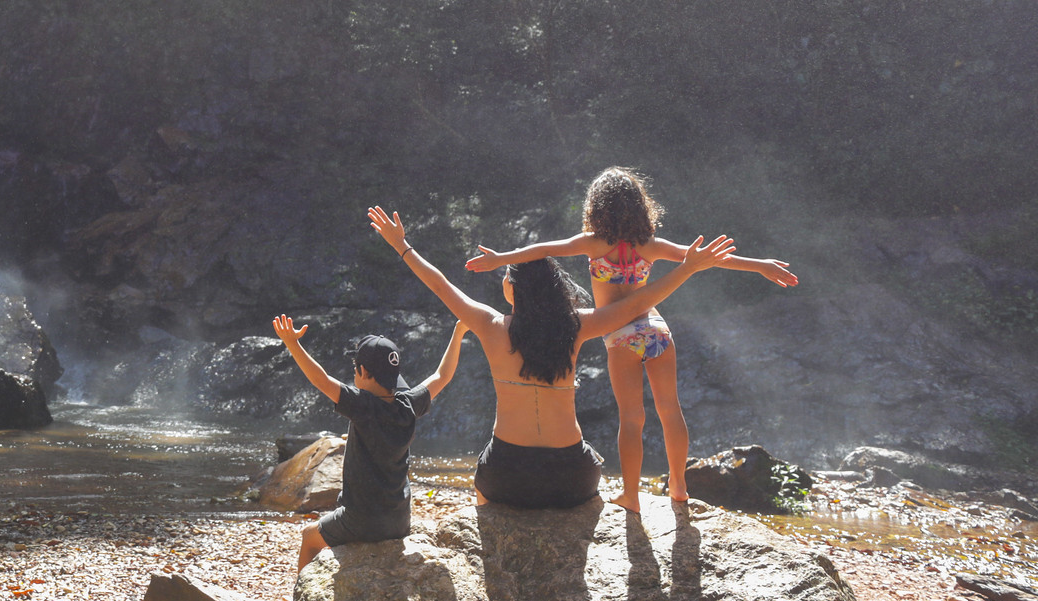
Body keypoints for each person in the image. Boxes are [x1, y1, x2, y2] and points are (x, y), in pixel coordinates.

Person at [463, 167, 798, 509]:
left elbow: (542, 249)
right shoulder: (650, 246)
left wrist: (500, 259)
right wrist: (760, 265)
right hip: (656, 329)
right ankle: (679, 485)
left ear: (596, 207)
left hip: (622, 336)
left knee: (632, 417)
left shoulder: (593, 244)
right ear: (641, 207)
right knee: (670, 410)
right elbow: (707, 258)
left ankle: (631, 495)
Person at [367, 204, 737, 512]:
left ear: (512, 288)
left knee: (483, 497)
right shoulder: (575, 327)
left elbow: (439, 284)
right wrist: (688, 268)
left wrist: (402, 246)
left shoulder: (490, 325)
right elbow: (639, 303)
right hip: (573, 477)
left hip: (506, 475)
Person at [271, 312, 469, 570]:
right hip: (399, 520)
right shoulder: (408, 403)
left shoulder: (361, 405)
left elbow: (320, 379)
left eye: (354, 369)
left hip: (362, 519)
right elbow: (442, 376)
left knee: (309, 536)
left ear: (363, 371)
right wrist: (459, 331)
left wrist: (292, 343)